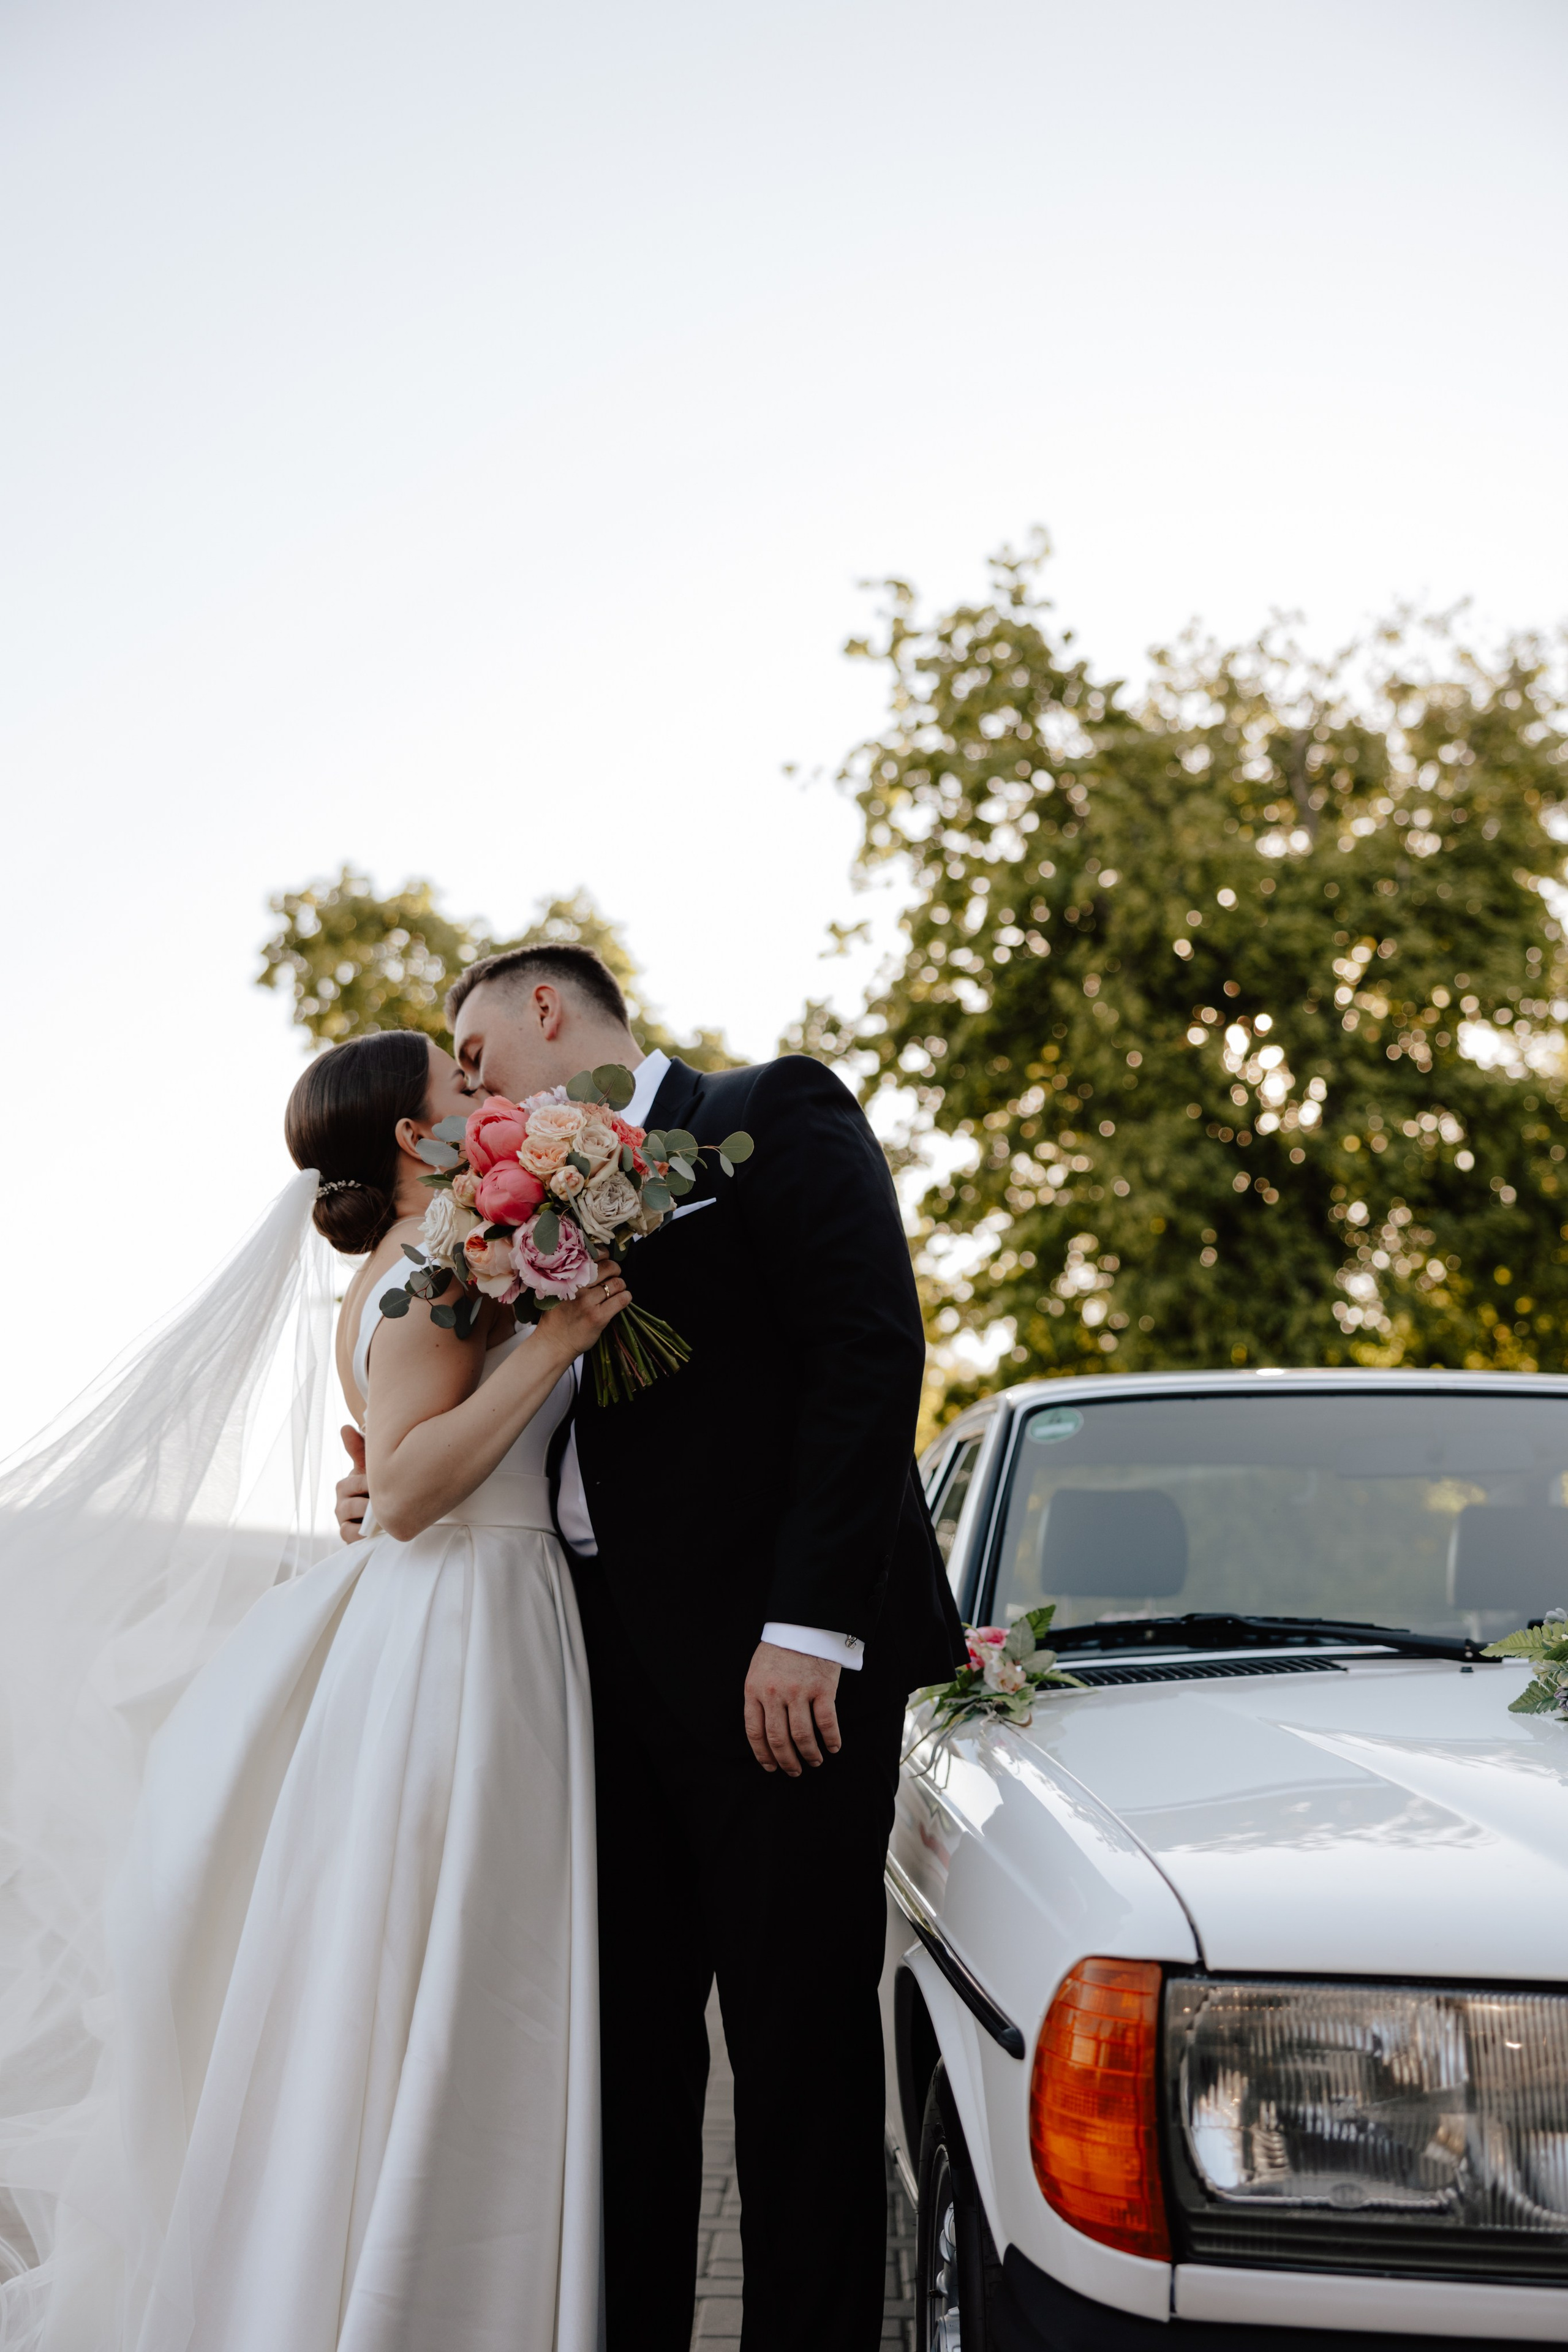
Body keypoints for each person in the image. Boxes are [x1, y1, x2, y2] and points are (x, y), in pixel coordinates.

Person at [334, 945, 966, 2352]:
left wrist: (807, 1628)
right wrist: (391, 1482)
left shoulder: (773, 1115)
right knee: (619, 2075)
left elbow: (869, 1360)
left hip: (774, 1688)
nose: (469, 1072)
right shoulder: (508, 1213)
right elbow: (474, 1421)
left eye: (474, 1039)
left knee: (796, 2065)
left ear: (546, 1007)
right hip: (584, 1684)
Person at [0, 1029, 627, 2351]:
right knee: (449, 1965)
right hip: (462, 1625)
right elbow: (399, 1493)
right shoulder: (427, 1274)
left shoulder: (422, 1268)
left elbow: (387, 1473)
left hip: (483, 1613)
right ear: (412, 1137)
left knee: (445, 1966)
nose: (489, 1101)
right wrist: (555, 1339)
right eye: (463, 1092)